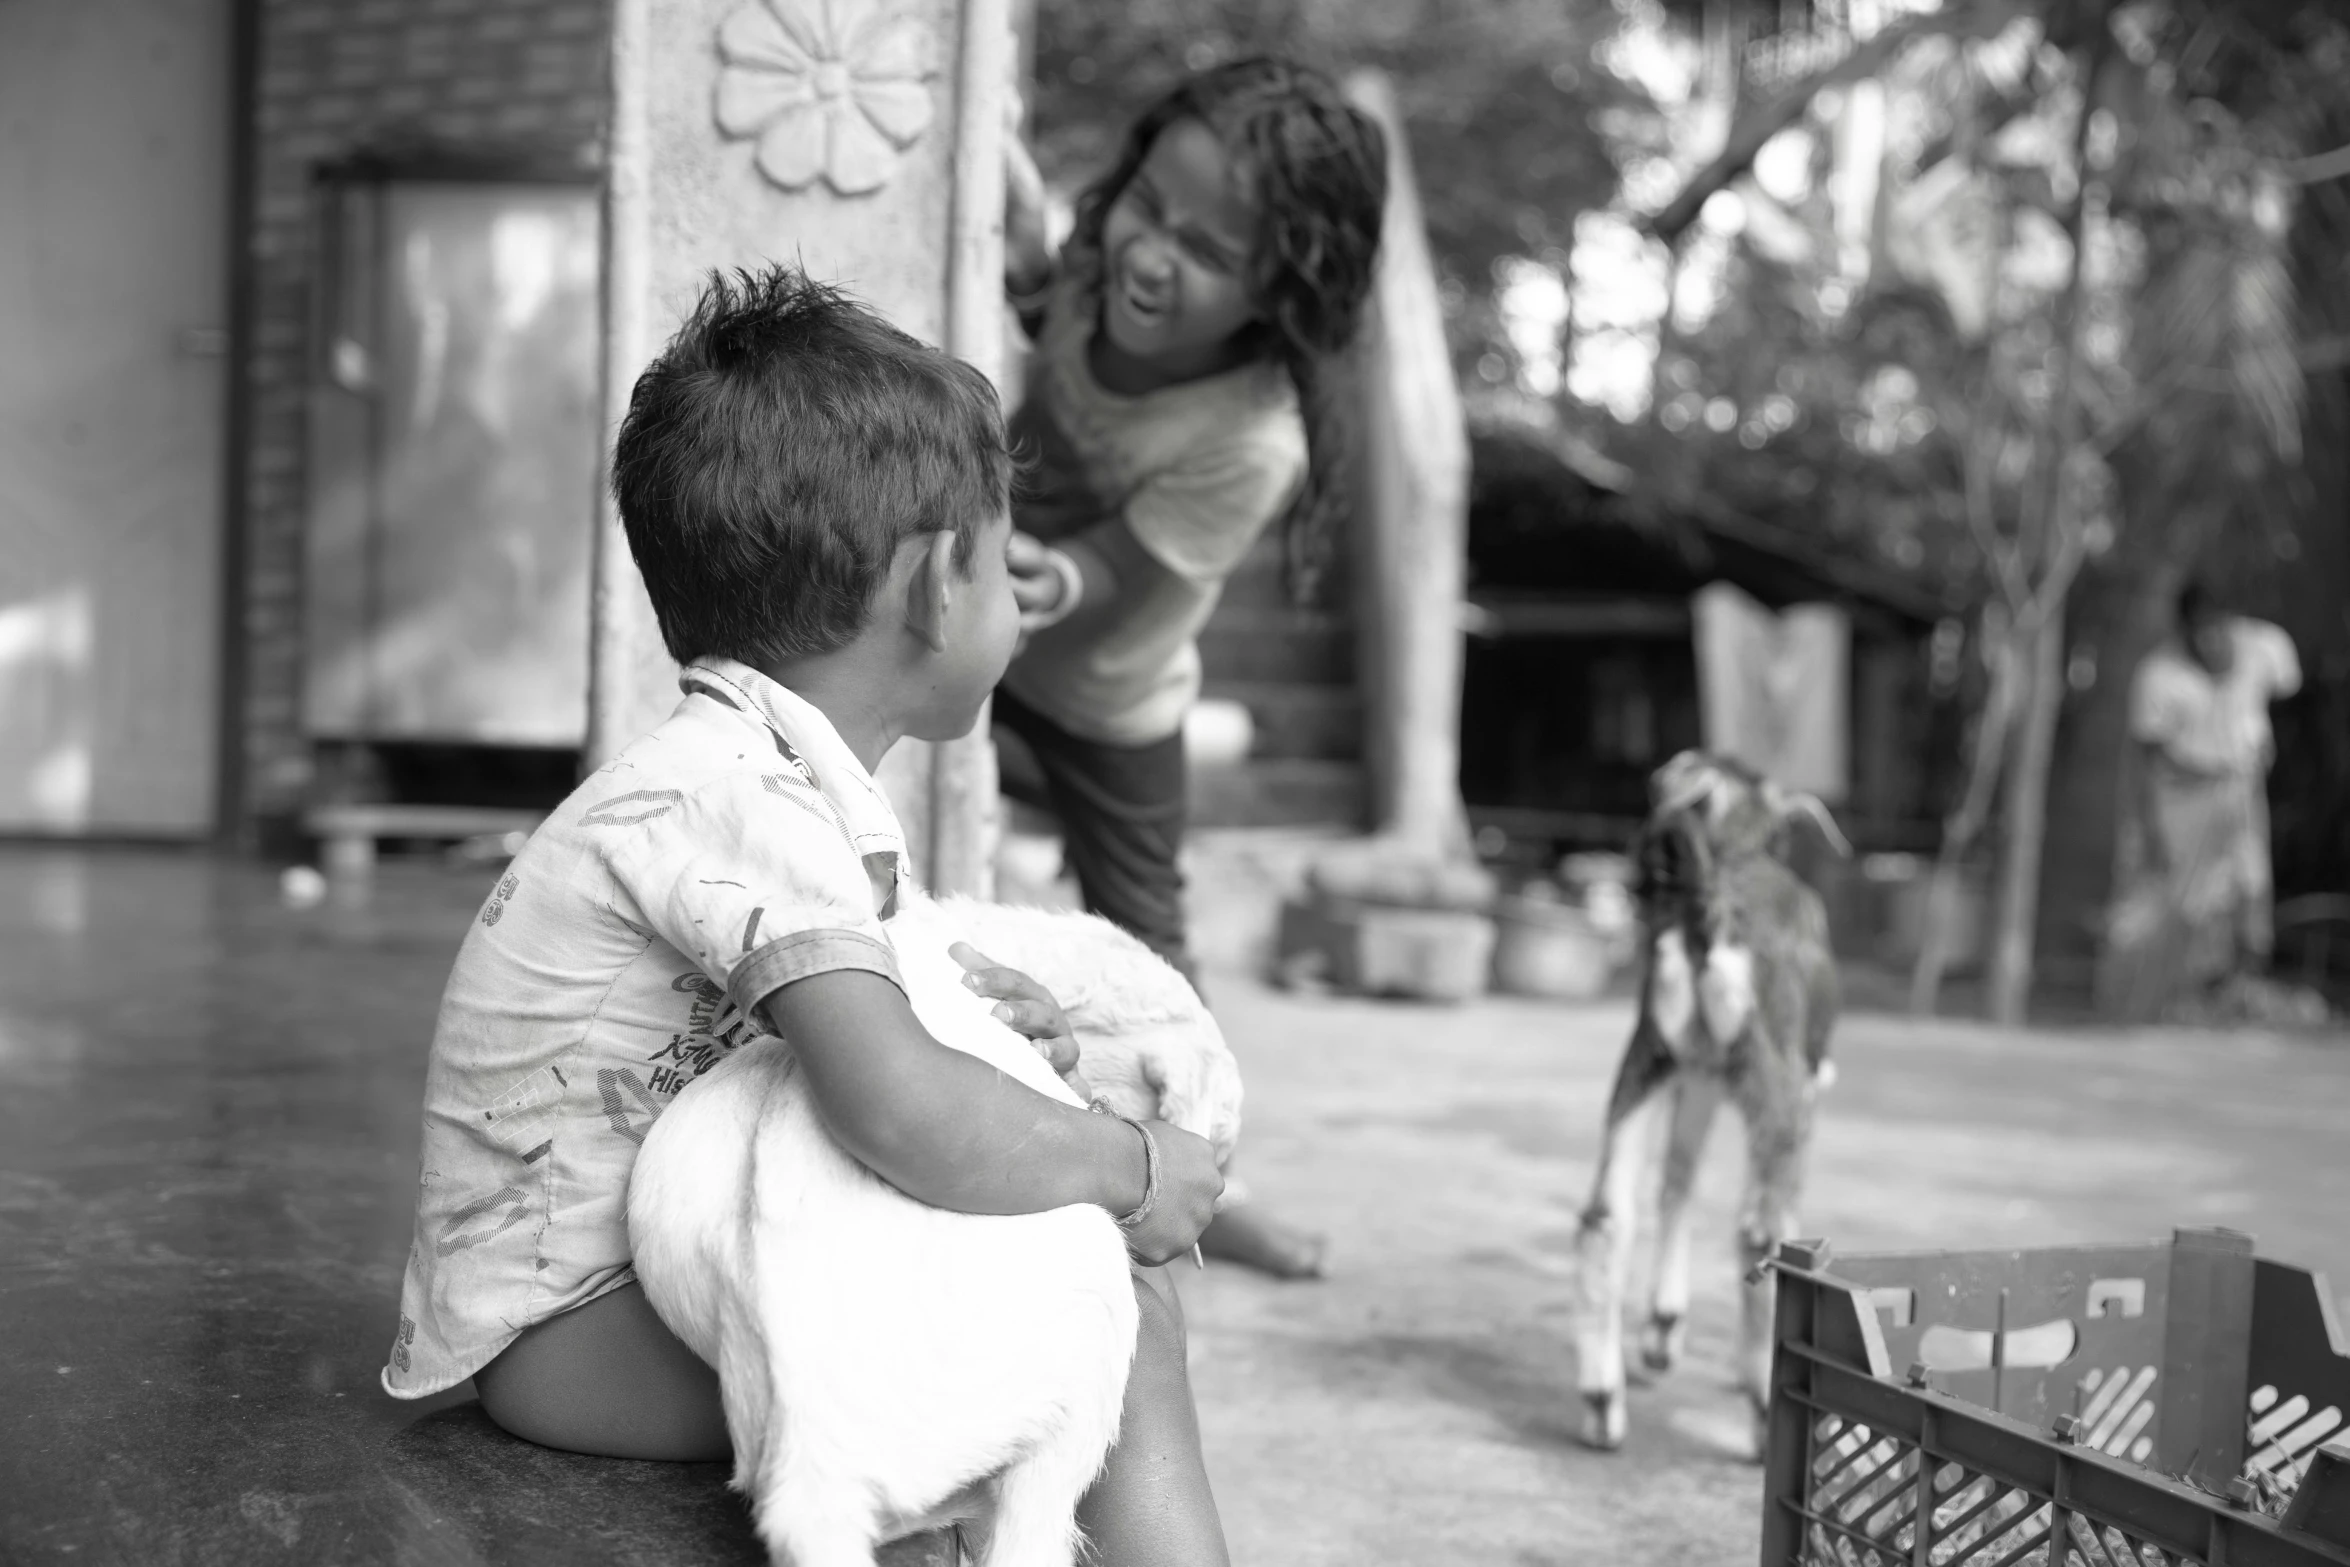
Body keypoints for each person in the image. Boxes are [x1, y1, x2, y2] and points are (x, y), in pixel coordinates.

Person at [381, 267, 1232, 1566]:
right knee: (1114, 1289)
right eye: (1004, 560)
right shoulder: (739, 801)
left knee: (1004, 1283)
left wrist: (976, 1012)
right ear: (940, 585)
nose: (1009, 595)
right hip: (568, 1327)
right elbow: (896, 1111)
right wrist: (1129, 1162)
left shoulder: (752, 776)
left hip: (627, 1284)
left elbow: (853, 1039)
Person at [996, 58, 1387, 1280]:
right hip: (987, 651)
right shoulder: (1091, 274)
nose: (1150, 254)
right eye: (1146, 207)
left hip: (1112, 705)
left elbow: (1119, 562)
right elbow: (1029, 299)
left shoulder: (1253, 438)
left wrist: (1049, 577)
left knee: (1156, 961)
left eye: (1205, 251)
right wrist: (1004, 206)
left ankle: (1215, 1179)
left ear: (1280, 296)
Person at [2103, 578, 2302, 1020]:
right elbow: (2150, 757)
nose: (2212, 643)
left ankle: (2234, 996)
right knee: (2179, 900)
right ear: (2184, 632)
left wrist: (2257, 756)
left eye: (2219, 629)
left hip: (2242, 788)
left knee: (2246, 886)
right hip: (2180, 799)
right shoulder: (2159, 675)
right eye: (2200, 633)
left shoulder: (2265, 647)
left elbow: (2293, 710)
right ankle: (2157, 1003)